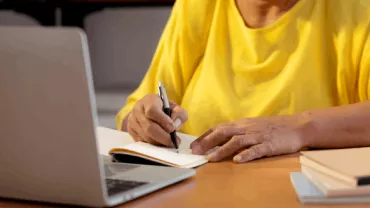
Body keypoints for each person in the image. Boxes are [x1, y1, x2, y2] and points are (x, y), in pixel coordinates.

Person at [116, 0, 370, 163]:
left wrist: (301, 127)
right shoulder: (198, 5)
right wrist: (141, 123)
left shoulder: (358, 10)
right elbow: (136, 109)